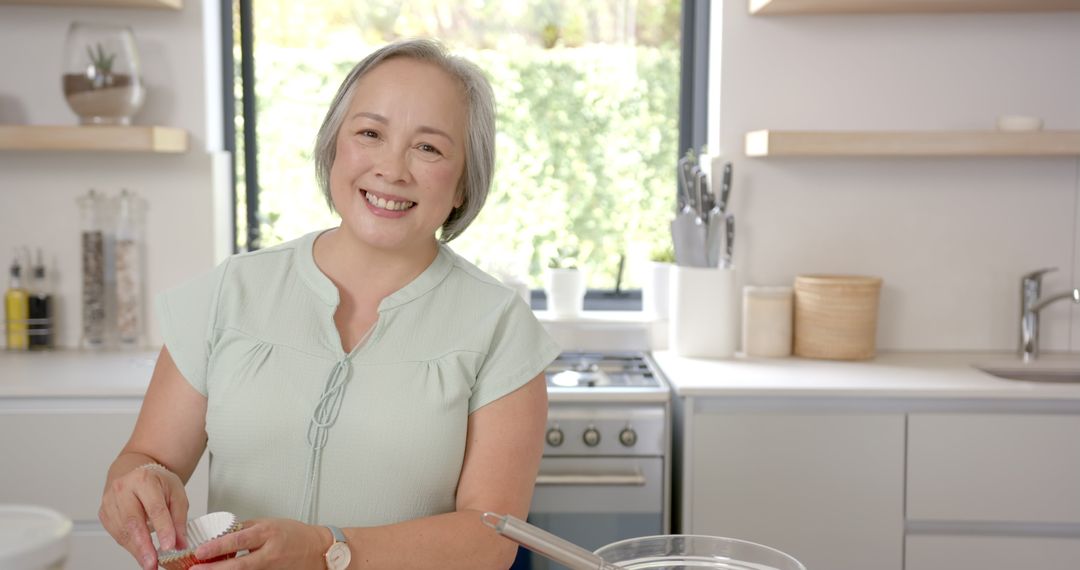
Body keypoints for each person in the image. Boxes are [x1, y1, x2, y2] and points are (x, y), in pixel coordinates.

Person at [99, 38, 561, 570]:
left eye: (428, 147)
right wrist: (134, 489)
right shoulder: (230, 291)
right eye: (370, 133)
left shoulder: (500, 328)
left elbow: (490, 541)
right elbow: (145, 461)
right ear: (334, 146)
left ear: (463, 183)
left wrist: (326, 549)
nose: (392, 169)